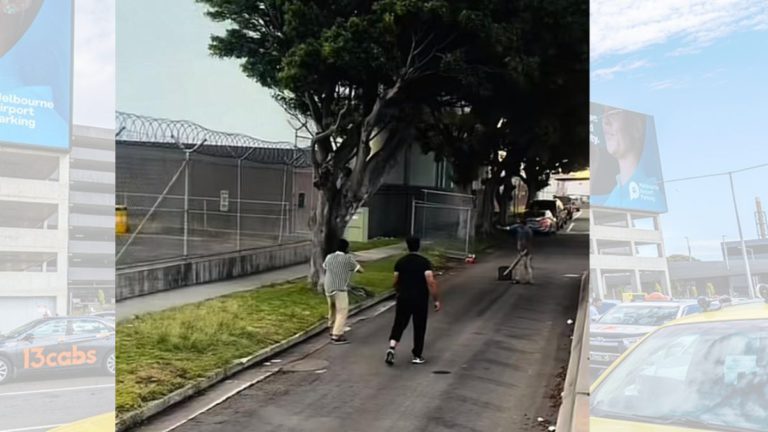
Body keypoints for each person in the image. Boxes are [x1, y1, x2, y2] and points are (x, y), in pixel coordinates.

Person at [385, 236, 440, 365]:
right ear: (418, 246)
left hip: (403, 297)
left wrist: (398, 290)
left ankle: (392, 348)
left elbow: (395, 281)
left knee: (399, 323)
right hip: (420, 299)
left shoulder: (400, 262)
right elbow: (431, 281)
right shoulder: (424, 262)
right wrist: (436, 299)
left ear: (407, 246)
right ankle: (417, 355)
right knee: (419, 326)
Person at [323, 238, 363, 345]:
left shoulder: (329, 257)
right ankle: (337, 335)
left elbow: (325, 267)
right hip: (340, 288)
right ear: (346, 248)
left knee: (332, 309)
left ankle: (331, 329)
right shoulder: (348, 259)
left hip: (328, 287)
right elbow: (360, 270)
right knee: (342, 311)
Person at [513, 216, 534, 284]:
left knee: (522, 265)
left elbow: (527, 242)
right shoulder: (522, 230)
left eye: (520, 223)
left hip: (525, 251)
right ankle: (528, 279)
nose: (519, 225)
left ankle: (518, 278)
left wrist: (524, 251)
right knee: (525, 266)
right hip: (524, 250)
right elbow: (520, 241)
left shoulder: (526, 231)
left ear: (523, 224)